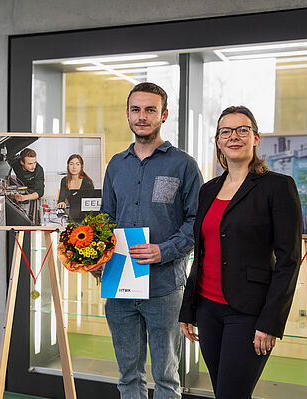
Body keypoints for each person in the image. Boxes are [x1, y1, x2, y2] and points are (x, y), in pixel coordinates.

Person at [179, 106, 302, 398]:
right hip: (208, 309)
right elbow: (203, 252)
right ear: (218, 141)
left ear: (256, 137)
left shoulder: (277, 187)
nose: (234, 136)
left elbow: (289, 260)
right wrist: (189, 307)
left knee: (233, 393)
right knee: (223, 391)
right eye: (226, 131)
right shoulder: (208, 190)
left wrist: (271, 321)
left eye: (242, 130)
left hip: (248, 313)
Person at [99, 82, 202, 398]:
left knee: (167, 378)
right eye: (135, 109)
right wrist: (97, 256)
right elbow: (105, 218)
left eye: (150, 110)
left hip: (164, 287)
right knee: (128, 377)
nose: (141, 116)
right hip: (120, 284)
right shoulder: (117, 164)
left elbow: (196, 221)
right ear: (128, 114)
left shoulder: (183, 165)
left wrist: (165, 250)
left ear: (164, 114)